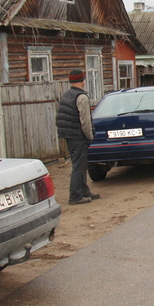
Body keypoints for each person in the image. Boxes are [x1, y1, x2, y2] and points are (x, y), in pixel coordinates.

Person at [56, 69, 99, 205]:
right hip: (78, 135)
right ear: (82, 80)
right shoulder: (81, 97)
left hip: (69, 134)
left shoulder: (67, 94)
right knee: (78, 165)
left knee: (80, 164)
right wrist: (89, 136)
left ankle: (84, 191)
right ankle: (75, 196)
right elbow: (85, 121)